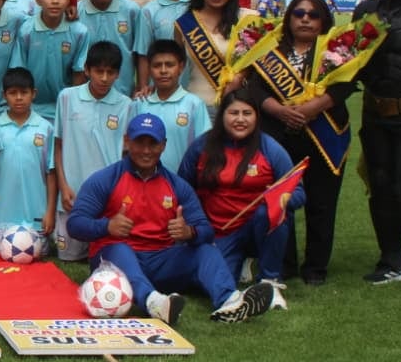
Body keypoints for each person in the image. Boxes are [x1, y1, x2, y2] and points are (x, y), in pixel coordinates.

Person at [66, 114, 275, 325]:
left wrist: (189, 232)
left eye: (153, 143)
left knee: (205, 250)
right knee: (120, 249)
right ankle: (154, 304)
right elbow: (75, 224)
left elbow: (205, 229)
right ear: (127, 141)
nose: (146, 151)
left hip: (160, 260)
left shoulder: (177, 186)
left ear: (163, 145)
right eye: (139, 142)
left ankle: (230, 301)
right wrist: (107, 226)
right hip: (114, 261)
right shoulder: (106, 179)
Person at [244, 0, 351, 285]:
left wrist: (309, 109)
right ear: (289, 17)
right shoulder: (269, 50)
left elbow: (346, 85)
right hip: (279, 133)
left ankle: (316, 267)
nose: (305, 19)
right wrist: (280, 111)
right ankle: (285, 263)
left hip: (325, 134)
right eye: (299, 13)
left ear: (323, 20)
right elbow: (255, 87)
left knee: (322, 202)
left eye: (313, 15)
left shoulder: (337, 50)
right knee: (281, 199)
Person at [179, 92, 304, 293]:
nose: (240, 119)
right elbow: (183, 189)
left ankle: (269, 279)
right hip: (219, 231)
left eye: (247, 113)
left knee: (271, 212)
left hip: (257, 227)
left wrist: (278, 197)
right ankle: (243, 262)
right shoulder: (202, 146)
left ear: (256, 117)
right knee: (207, 285)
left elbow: (298, 192)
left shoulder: (271, 148)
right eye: (233, 113)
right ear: (222, 116)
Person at [353, 0, 401, 284]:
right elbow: (347, 61)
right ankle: (391, 258)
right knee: (382, 185)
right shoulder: (365, 10)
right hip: (375, 114)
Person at [53, 41, 130, 261]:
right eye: (99, 71)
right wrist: (63, 185)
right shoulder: (66, 97)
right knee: (68, 256)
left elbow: (126, 154)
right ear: (87, 70)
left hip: (109, 197)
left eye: (110, 72)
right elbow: (58, 145)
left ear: (117, 74)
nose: (104, 78)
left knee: (107, 257)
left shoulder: (126, 104)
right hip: (72, 193)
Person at [10, 0, 88, 122]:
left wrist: (72, 106)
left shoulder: (80, 32)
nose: (55, 1)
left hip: (64, 109)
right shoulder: (26, 30)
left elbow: (78, 73)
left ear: (68, 0)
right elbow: (19, 70)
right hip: (31, 108)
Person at [0, 67, 56, 241]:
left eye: (24, 92)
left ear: (33, 93)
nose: (19, 98)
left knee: (35, 256)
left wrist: (49, 212)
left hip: (36, 216)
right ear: (4, 95)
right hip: (0, 216)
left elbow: (51, 173)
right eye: (13, 93)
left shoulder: (45, 128)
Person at [127, 39, 210, 172]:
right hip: (142, 184)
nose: (163, 71)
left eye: (169, 65)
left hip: (181, 184)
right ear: (149, 68)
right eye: (157, 65)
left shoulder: (194, 104)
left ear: (181, 67)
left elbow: (204, 149)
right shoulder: (139, 103)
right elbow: (127, 146)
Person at [77, 0, 149, 97]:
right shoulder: (76, 13)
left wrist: (141, 87)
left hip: (123, 93)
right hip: (87, 96)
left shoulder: (131, 10)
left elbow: (140, 53)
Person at [175, 0, 240, 114]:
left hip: (236, 109)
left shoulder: (246, 20)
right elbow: (176, 67)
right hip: (196, 107)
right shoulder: (184, 25)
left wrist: (239, 77)